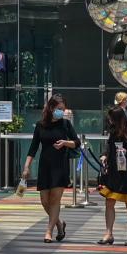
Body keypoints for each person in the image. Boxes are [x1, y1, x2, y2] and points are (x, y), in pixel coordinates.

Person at [20, 94, 81, 243]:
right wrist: (26, 167)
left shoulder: (66, 124)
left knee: (55, 200)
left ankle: (49, 231)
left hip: (60, 165)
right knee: (44, 200)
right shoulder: (41, 125)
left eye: (63, 109)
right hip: (45, 165)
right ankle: (59, 224)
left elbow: (77, 142)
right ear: (52, 108)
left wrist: (65, 143)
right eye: (59, 109)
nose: (62, 111)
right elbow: (33, 148)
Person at [98, 106, 127, 246]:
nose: (110, 121)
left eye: (112, 119)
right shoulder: (113, 134)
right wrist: (105, 156)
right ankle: (108, 233)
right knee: (109, 202)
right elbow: (109, 149)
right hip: (113, 174)